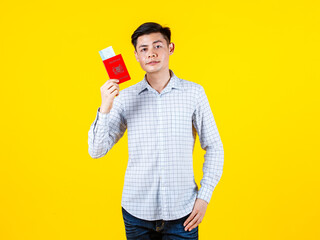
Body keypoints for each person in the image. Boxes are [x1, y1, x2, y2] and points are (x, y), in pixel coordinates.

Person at [88, 22, 224, 240]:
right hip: (136, 214)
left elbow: (214, 147)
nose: (151, 54)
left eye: (157, 46)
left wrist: (204, 196)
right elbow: (96, 150)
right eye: (144, 49)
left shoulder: (194, 93)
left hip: (183, 214)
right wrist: (105, 106)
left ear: (170, 48)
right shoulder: (125, 98)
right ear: (136, 56)